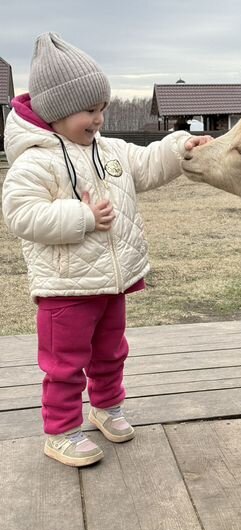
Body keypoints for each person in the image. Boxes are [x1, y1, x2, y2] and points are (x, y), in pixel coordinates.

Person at [2, 32, 212, 467]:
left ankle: (106, 407)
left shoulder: (111, 150)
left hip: (111, 283)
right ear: (56, 111)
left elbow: (150, 164)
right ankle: (59, 431)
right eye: (89, 110)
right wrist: (81, 219)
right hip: (65, 289)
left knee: (111, 351)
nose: (98, 119)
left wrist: (180, 145)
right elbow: (20, 215)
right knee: (64, 363)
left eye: (102, 108)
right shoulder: (34, 161)